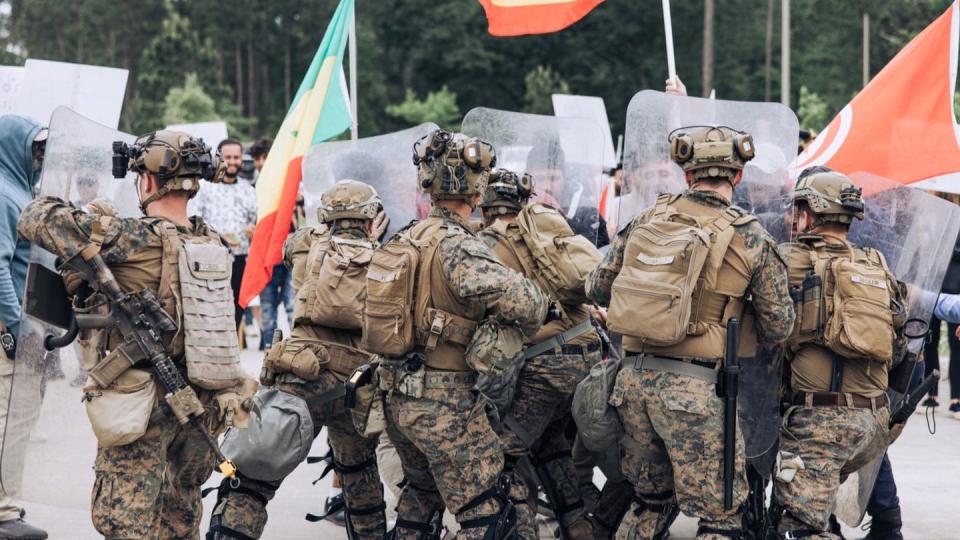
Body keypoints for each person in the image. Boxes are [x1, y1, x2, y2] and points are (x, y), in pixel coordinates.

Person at [18, 130, 255, 538]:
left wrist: (92, 208)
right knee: (180, 517)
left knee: (125, 523)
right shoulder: (211, 241)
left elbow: (34, 218)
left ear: (147, 181)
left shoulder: (131, 237)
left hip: (142, 403)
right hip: (201, 404)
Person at [586, 125, 794, 540]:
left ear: (687, 175)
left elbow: (596, 287)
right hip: (696, 393)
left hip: (633, 385)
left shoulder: (647, 217)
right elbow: (779, 326)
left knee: (648, 502)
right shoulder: (749, 234)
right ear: (737, 176)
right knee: (720, 515)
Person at [366, 129, 547, 539]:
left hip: (396, 397)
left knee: (420, 500)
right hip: (444, 401)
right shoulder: (459, 246)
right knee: (486, 512)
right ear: (477, 187)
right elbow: (526, 303)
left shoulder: (406, 236)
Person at [209, 180, 388, 539]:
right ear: (372, 218)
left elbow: (293, 247)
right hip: (360, 383)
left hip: (302, 374)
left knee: (250, 476)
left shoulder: (306, 244)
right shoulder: (390, 256)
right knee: (359, 472)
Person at [771, 168, 907, 539]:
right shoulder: (876, 264)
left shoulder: (787, 260)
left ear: (810, 213)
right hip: (873, 424)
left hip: (817, 422)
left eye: (799, 209)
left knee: (799, 529)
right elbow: (897, 347)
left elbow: (764, 331)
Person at [478, 168, 601, 539]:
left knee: (501, 456)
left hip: (545, 364)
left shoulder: (484, 244)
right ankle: (578, 525)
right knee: (551, 445)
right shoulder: (549, 227)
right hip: (588, 351)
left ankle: (522, 532)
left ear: (484, 208)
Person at [0, 115, 48, 540]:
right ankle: (3, 511)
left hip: (20, 320)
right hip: (10, 324)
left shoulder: (18, 188)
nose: (40, 158)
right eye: (34, 149)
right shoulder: (4, 192)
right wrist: (16, 327)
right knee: (10, 416)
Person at [191, 138, 258, 331]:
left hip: (240, 261)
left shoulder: (248, 190)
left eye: (236, 157)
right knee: (210, 310)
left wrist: (253, 231)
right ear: (219, 158)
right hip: (210, 262)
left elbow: (255, 222)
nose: (232, 161)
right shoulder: (204, 187)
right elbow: (194, 221)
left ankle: (231, 351)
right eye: (228, 157)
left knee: (237, 308)